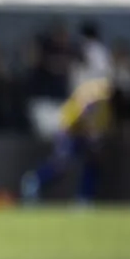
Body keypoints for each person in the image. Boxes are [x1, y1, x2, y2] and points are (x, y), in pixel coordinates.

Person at [21, 76, 111, 205]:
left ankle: (85, 197)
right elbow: (80, 114)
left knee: (93, 163)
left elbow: (101, 125)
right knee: (60, 165)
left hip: (84, 136)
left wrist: (94, 137)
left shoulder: (105, 103)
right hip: (70, 132)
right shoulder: (93, 94)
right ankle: (34, 181)